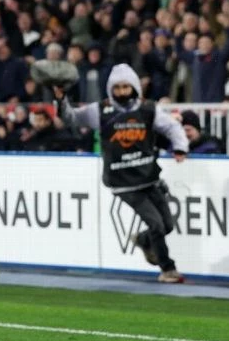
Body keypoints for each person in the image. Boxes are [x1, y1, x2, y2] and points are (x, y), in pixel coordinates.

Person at [54, 64, 189, 283]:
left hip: (148, 176)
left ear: (134, 87)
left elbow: (172, 127)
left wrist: (180, 146)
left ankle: (143, 240)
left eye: (126, 87)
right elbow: (71, 118)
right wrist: (61, 100)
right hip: (122, 182)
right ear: (111, 89)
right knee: (156, 224)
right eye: (117, 88)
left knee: (167, 225)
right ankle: (168, 269)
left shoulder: (148, 109)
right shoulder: (101, 110)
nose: (122, 92)